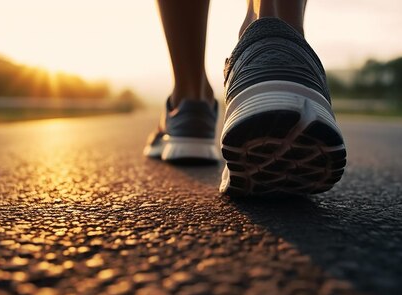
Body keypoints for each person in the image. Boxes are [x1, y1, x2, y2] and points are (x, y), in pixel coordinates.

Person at [144, 0, 346, 197]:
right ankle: (280, 37)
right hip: (295, 64)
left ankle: (189, 99)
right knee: (277, 20)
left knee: (189, 93)